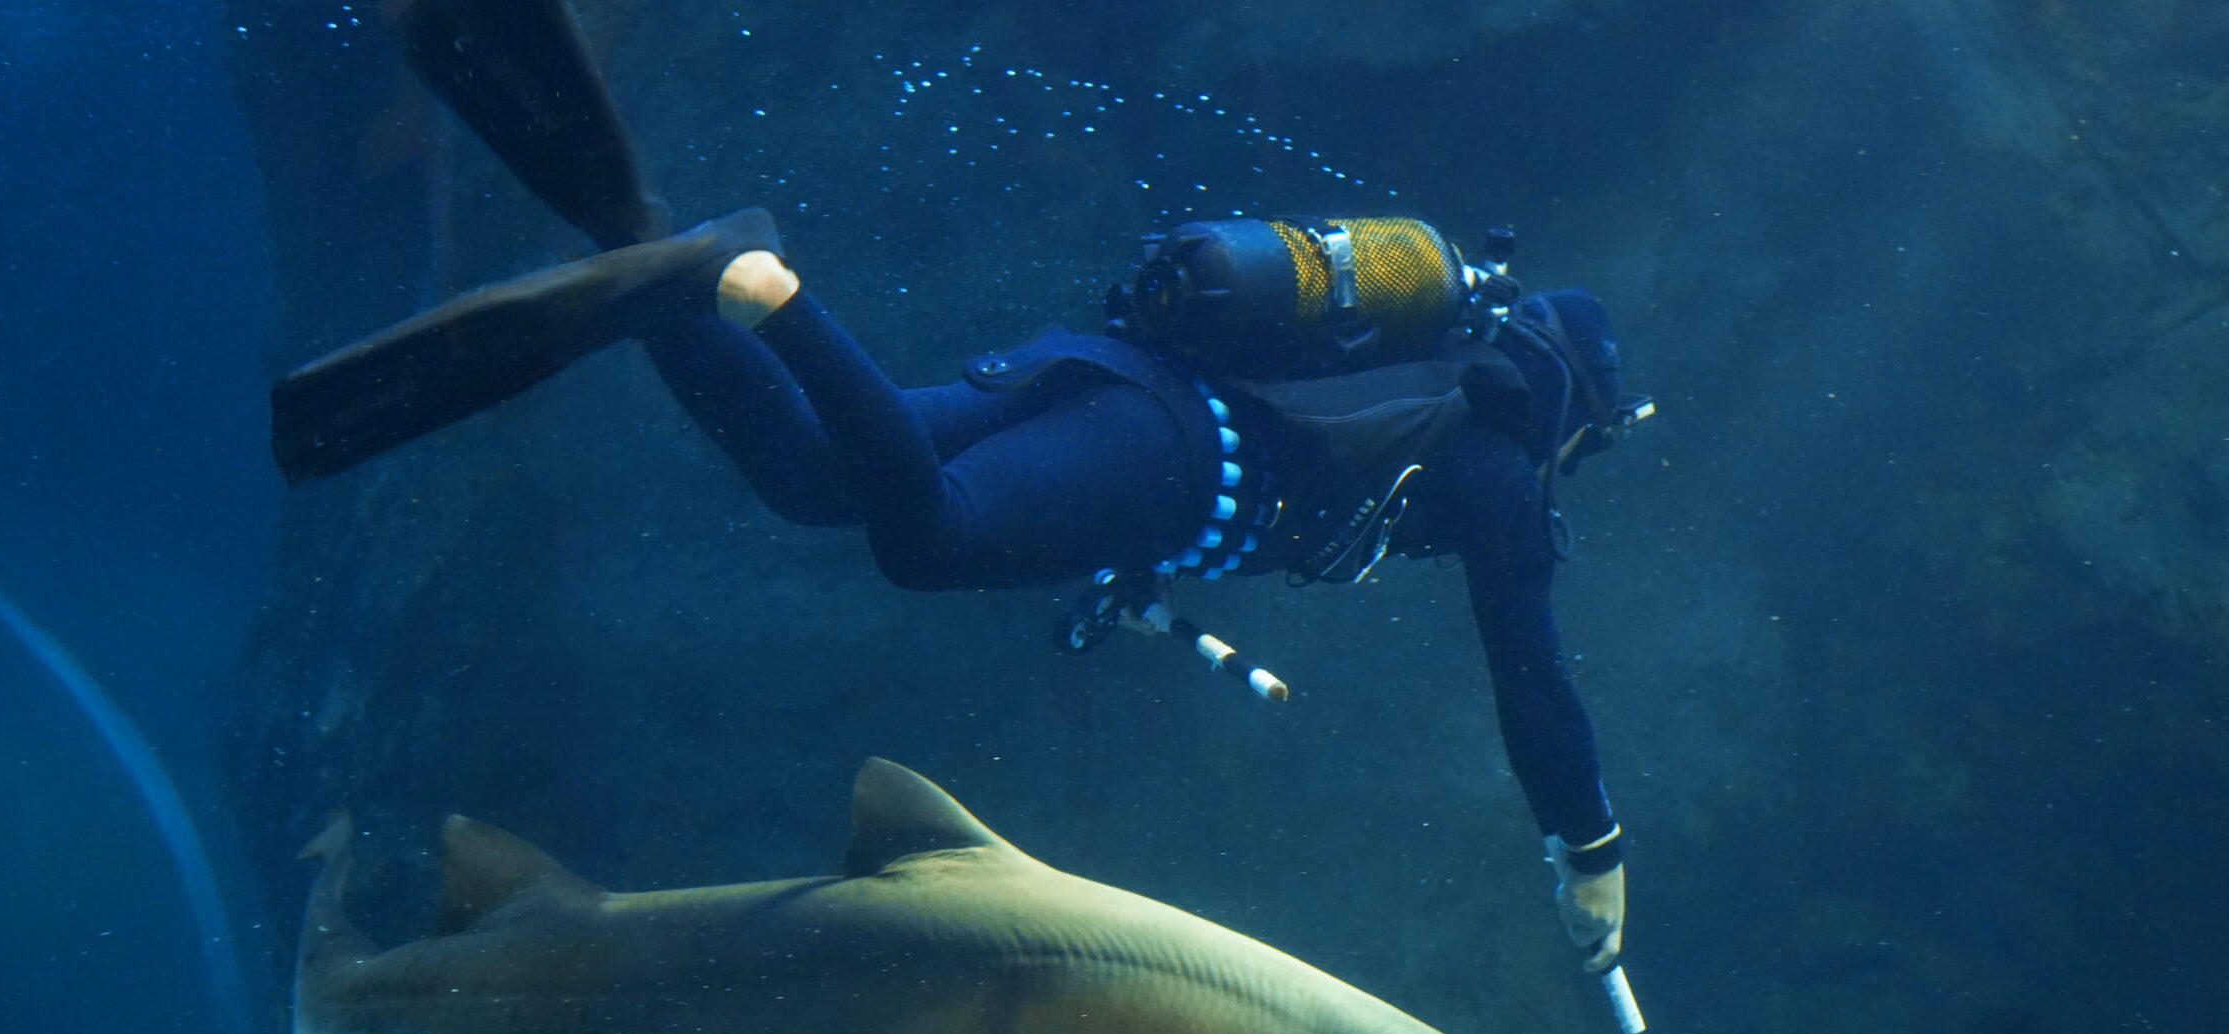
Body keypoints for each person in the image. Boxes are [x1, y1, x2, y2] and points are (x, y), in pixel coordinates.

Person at [274, 0, 1643, 971]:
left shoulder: (1425, 367)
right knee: (919, 537)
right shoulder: (1501, 468)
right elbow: (1535, 680)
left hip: (1110, 386)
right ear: (1576, 412)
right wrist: (1592, 856)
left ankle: (644, 261)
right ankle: (759, 289)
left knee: (815, 478)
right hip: (1161, 458)